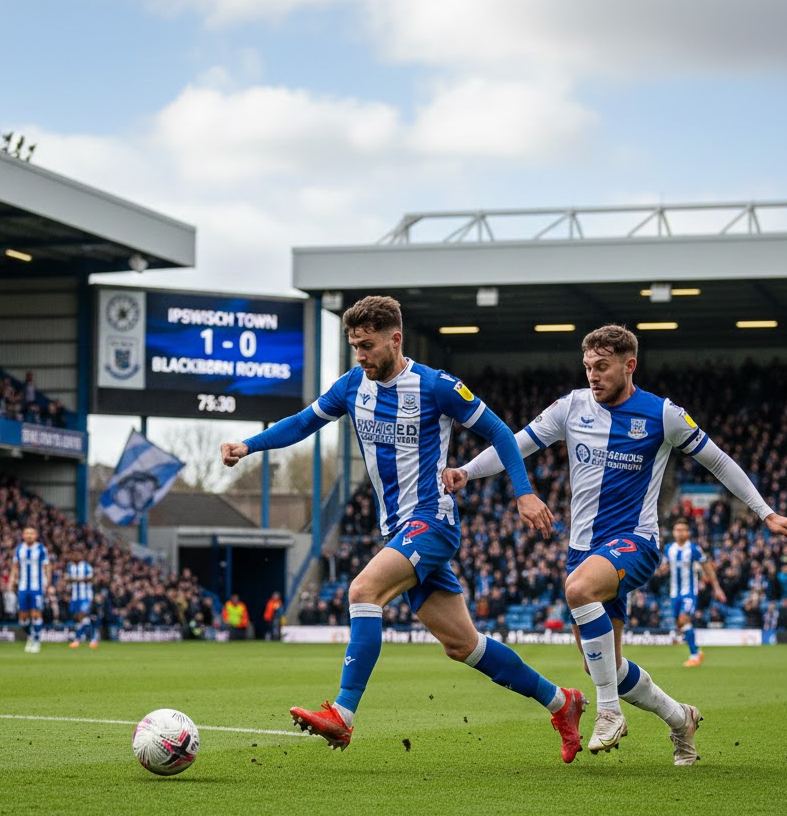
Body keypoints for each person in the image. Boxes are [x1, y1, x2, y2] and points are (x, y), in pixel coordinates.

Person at [221, 295, 587, 761]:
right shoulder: (353, 385)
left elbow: (498, 432)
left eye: (368, 345)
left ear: (395, 338)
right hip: (397, 529)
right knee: (462, 644)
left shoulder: (437, 387)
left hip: (432, 520)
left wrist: (523, 491)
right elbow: (302, 423)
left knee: (363, 591)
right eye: (354, 346)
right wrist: (248, 445)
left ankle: (344, 716)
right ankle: (562, 703)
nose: (360, 356)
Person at [445, 324, 787, 765]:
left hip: (635, 543)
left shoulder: (662, 415)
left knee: (579, 591)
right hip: (583, 549)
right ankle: (681, 720)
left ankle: (608, 713)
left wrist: (766, 513)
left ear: (629, 365)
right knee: (606, 667)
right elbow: (518, 445)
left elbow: (718, 459)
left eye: (602, 367)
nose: (593, 376)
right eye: (587, 367)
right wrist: (466, 471)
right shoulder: (571, 407)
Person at [659, 517, 726, 666]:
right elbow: (665, 566)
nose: (680, 532)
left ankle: (694, 655)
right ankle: (696, 649)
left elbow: (707, 567)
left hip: (688, 592)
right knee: (679, 623)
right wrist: (661, 570)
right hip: (674, 593)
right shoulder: (669, 548)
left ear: (688, 533)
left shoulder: (694, 549)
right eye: (677, 530)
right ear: (673, 532)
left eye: (683, 530)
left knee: (684, 619)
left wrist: (716, 587)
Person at [8, 525, 49, 653]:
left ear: (36, 535)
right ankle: (31, 635)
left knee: (36, 614)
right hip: (22, 586)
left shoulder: (41, 549)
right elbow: (15, 566)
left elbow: (47, 566)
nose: (29, 535)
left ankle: (36, 640)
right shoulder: (19, 549)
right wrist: (11, 580)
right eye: (26, 533)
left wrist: (49, 583)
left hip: (37, 586)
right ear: (23, 535)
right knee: (23, 618)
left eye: (31, 533)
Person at [66, 550, 98, 649]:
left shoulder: (86, 566)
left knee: (82, 615)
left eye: (77, 554)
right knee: (80, 618)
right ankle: (92, 637)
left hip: (85, 596)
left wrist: (78, 579)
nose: (75, 556)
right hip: (75, 596)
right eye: (74, 554)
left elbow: (92, 579)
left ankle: (78, 639)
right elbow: (67, 579)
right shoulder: (70, 566)